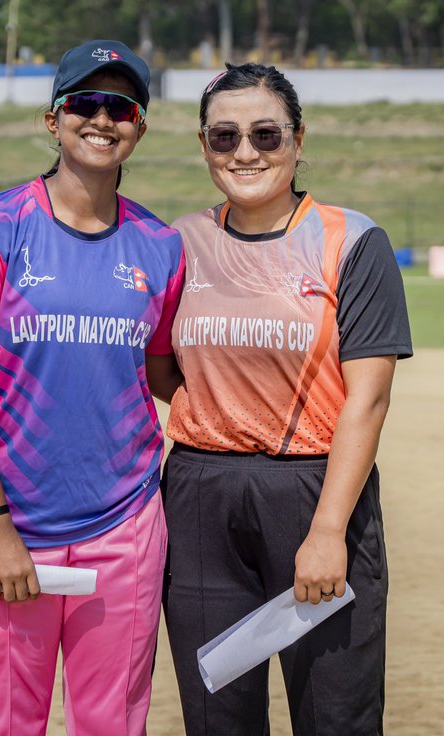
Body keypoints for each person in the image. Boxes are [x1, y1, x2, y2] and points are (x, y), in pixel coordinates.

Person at [0, 39, 185, 736]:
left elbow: (164, 375)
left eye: (121, 106)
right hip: (14, 528)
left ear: (140, 126)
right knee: (5, 721)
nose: (103, 120)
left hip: (125, 526)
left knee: (112, 724)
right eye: (85, 103)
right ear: (54, 120)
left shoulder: (161, 246)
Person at [159, 63, 412, 735]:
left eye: (266, 135)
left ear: (299, 141)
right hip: (198, 496)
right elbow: (159, 367)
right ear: (204, 145)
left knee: (335, 715)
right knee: (218, 716)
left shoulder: (351, 240)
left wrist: (328, 531)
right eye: (225, 137)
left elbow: (369, 401)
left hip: (313, 490)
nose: (246, 152)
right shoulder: (179, 243)